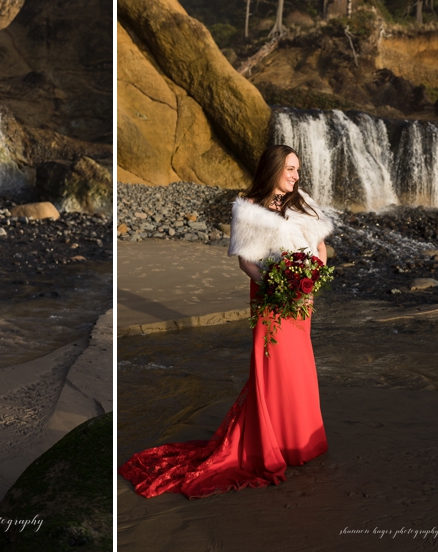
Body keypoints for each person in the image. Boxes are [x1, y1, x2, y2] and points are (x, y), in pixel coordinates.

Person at [119, 144, 334, 499]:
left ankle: (299, 442)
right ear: (274, 169)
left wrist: (310, 281)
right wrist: (277, 286)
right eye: (291, 169)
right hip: (271, 298)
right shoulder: (249, 209)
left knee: (299, 368)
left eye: (298, 169)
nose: (297, 175)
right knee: (273, 369)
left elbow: (321, 248)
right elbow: (246, 262)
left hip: (301, 299)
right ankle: (271, 444)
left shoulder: (303, 201)